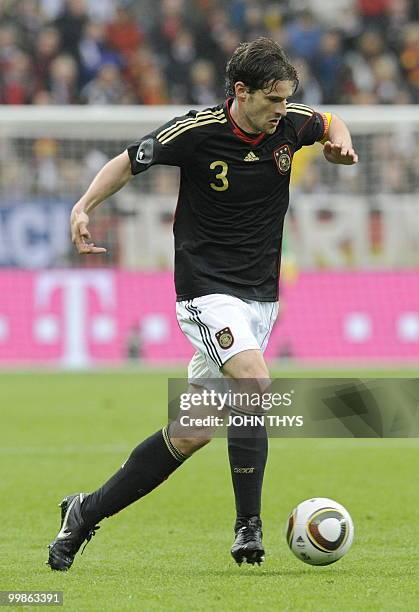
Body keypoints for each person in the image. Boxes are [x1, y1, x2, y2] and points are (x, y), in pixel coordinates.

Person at [46, 37, 358, 571]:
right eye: (273, 101)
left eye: (287, 100)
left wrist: (340, 145)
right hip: (206, 291)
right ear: (241, 92)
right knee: (256, 383)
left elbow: (329, 121)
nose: (283, 112)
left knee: (192, 431)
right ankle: (248, 526)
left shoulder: (289, 124)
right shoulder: (198, 131)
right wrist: (83, 205)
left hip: (261, 297)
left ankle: (84, 511)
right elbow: (127, 161)